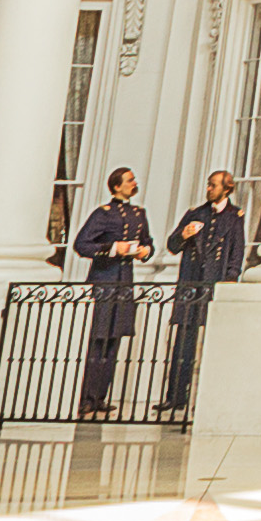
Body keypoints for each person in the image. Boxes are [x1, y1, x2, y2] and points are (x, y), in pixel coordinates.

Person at [159, 168, 247, 417]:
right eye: (208, 185)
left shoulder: (235, 216)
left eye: (213, 185)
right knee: (182, 342)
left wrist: (230, 279)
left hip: (214, 283)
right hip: (190, 282)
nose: (208, 189)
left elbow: (237, 251)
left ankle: (209, 397)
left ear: (226, 188)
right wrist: (184, 234)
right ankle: (175, 396)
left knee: (213, 342)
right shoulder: (195, 214)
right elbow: (172, 245)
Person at [71, 166, 156, 414]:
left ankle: (100, 395)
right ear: (117, 186)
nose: (134, 183)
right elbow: (82, 244)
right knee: (98, 338)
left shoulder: (139, 213)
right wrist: (111, 248)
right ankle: (87, 395)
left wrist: (145, 251)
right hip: (104, 278)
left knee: (113, 340)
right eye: (129, 180)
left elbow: (148, 241)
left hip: (124, 281)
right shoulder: (104, 213)